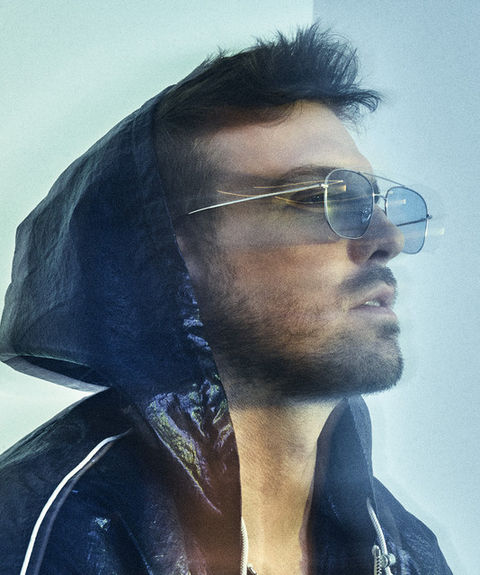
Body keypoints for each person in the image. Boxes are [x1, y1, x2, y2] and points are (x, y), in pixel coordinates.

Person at [0, 25, 452, 575]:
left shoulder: (406, 551)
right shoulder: (41, 538)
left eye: (373, 200)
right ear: (169, 248)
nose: (388, 239)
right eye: (317, 199)